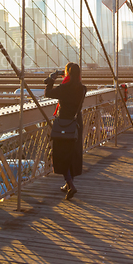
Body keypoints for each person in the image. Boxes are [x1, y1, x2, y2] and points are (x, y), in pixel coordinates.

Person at [44, 62, 87, 200]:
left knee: (61, 154)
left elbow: (48, 93)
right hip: (76, 124)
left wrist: (51, 79)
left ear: (67, 74)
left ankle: (70, 184)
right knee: (72, 153)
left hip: (63, 124)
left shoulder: (64, 88)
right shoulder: (83, 89)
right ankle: (68, 184)